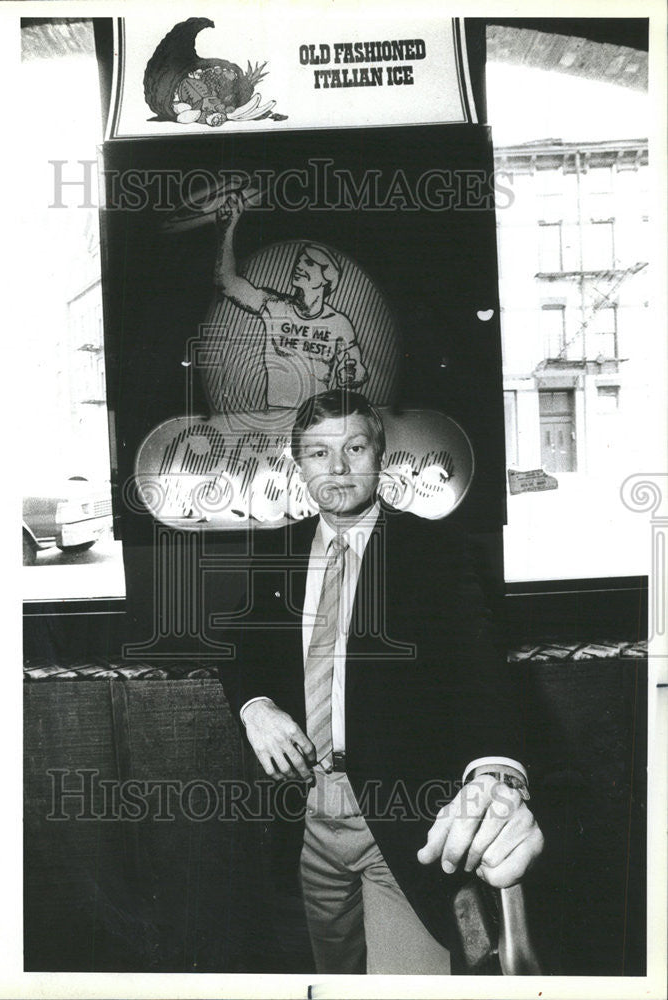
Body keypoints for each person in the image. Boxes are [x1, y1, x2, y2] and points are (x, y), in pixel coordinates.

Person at [217, 389, 543, 974]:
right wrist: (256, 705)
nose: (337, 468)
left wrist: (496, 771)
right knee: (330, 976)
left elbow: (480, 667)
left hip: (401, 821)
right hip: (306, 818)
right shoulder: (273, 552)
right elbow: (239, 644)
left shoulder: (434, 551)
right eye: (318, 453)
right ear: (301, 465)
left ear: (380, 454)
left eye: (354, 447)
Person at [214, 192, 367, 408]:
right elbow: (225, 282)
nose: (299, 266)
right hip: (275, 420)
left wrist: (351, 373)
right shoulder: (274, 306)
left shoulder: (339, 324)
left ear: (327, 279)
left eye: (310, 263)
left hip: (315, 423)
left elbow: (358, 369)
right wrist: (226, 230)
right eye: (300, 260)